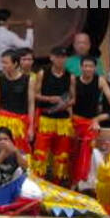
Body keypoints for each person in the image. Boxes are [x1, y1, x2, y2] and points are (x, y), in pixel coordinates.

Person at [69, 56, 110, 186]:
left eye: (91, 66)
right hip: (74, 120)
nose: (88, 69)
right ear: (81, 67)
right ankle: (72, 181)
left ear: (95, 68)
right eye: (85, 66)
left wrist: (98, 118)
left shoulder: (100, 80)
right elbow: (69, 102)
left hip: (91, 122)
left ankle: (85, 181)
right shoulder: (74, 80)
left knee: (89, 145)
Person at [31, 45, 75, 185]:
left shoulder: (70, 76)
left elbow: (73, 98)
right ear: (52, 58)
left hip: (63, 120)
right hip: (46, 118)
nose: (60, 60)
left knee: (61, 153)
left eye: (63, 57)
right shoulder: (43, 73)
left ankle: (58, 183)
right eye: (58, 57)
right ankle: (39, 182)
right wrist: (50, 99)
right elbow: (35, 95)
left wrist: (65, 103)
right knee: (41, 152)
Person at [0, 48, 34, 152]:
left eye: (6, 63)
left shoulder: (28, 80)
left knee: (21, 151)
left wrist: (31, 126)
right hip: (2, 120)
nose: (3, 66)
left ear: (15, 64)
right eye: (2, 63)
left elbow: (31, 104)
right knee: (2, 151)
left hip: (20, 121)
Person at [0, 9, 34, 74]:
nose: (11, 22)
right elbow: (28, 46)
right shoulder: (9, 35)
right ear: (1, 22)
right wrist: (30, 29)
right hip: (8, 71)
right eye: (9, 20)